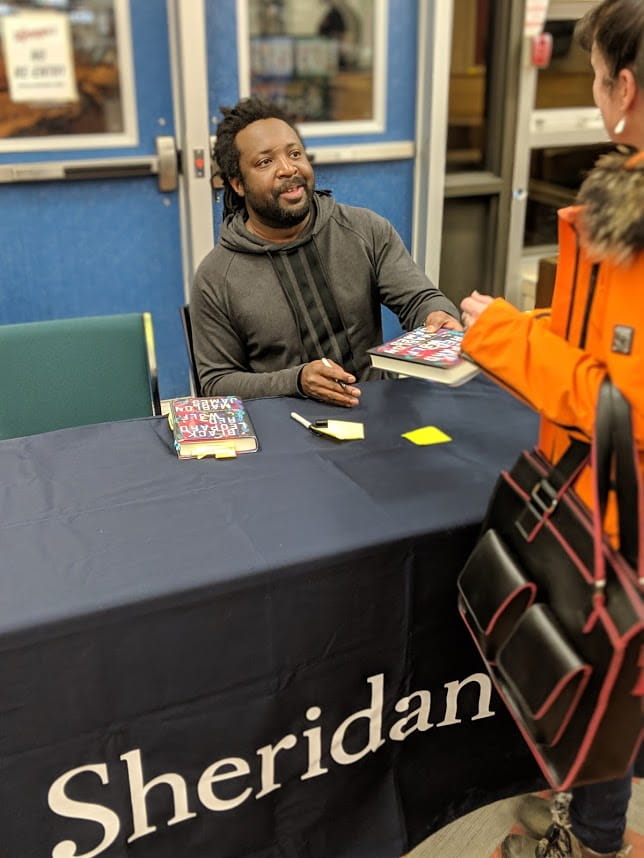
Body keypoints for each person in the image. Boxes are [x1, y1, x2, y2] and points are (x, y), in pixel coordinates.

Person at [460, 1, 644, 856]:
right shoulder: (623, 193)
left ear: (626, 86)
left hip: (624, 513)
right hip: (595, 488)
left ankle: (592, 843)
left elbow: (620, 399)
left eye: (600, 75)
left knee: (607, 665)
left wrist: (499, 331)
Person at [191, 96, 461, 406]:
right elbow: (216, 382)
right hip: (284, 429)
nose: (287, 168)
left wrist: (438, 315)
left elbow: (419, 299)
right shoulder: (215, 276)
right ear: (238, 184)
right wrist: (296, 381)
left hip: (376, 411)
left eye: (295, 153)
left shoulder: (365, 230)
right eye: (265, 162)